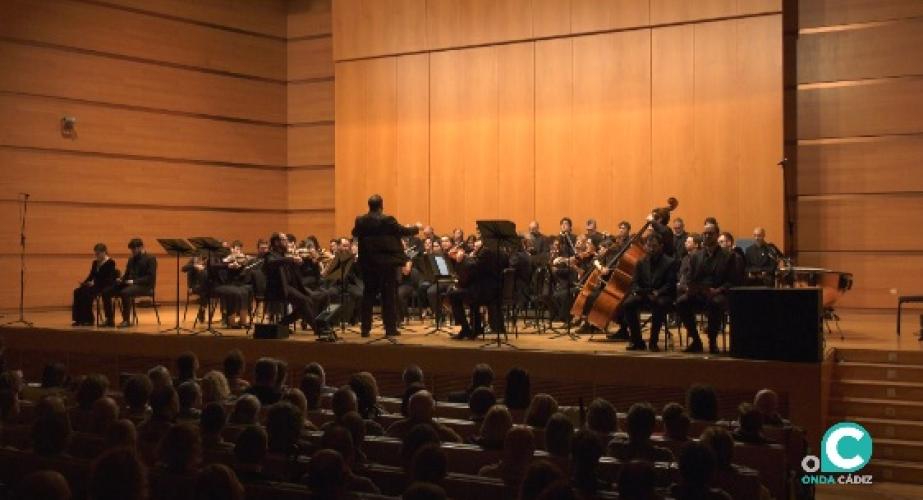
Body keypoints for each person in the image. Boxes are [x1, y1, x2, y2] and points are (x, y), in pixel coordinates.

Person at [352, 194, 420, 338]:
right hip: (386, 264)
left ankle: (365, 328)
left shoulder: (360, 220)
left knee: (368, 295)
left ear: (369, 205)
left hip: (368, 264)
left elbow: (355, 233)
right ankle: (390, 329)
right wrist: (416, 228)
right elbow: (402, 231)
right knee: (388, 296)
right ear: (381, 206)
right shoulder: (388, 220)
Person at [675, 224, 731, 353]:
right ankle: (696, 340)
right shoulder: (696, 256)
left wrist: (718, 290)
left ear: (717, 235)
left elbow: (732, 281)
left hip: (718, 293)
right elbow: (690, 277)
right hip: (700, 293)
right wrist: (690, 287)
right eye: (704, 233)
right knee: (681, 302)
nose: (706, 236)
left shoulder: (728, 256)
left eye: (710, 234)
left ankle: (712, 342)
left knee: (715, 303)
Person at [621, 234, 677, 351]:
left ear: (661, 246)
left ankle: (653, 341)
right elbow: (634, 282)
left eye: (654, 246)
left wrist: (658, 292)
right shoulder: (641, 262)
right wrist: (638, 291)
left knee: (659, 304)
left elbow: (670, 284)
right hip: (645, 294)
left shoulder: (670, 262)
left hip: (662, 295)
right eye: (649, 246)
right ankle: (637, 341)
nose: (651, 249)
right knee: (627, 304)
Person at [264, 233, 325, 335]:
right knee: (304, 301)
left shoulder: (285, 255)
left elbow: (293, 273)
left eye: (286, 240)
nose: (286, 242)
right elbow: (272, 262)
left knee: (309, 301)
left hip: (289, 287)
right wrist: (291, 259)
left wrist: (298, 263)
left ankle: (282, 323)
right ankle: (317, 328)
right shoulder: (270, 255)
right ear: (276, 242)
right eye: (283, 240)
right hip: (277, 289)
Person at [102, 238, 157, 328]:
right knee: (106, 292)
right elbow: (127, 274)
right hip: (130, 284)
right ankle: (109, 319)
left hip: (145, 286)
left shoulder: (151, 259)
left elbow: (150, 277)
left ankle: (126, 320)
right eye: (132, 249)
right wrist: (121, 279)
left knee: (125, 292)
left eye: (134, 249)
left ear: (141, 247)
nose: (133, 251)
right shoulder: (131, 259)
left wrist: (134, 281)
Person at [72, 243, 118, 326]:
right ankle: (79, 318)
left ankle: (89, 319)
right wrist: (85, 283)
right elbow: (91, 275)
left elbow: (109, 279)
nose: (97, 256)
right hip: (95, 285)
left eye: (98, 254)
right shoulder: (95, 262)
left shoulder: (111, 262)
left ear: (104, 252)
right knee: (77, 291)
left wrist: (93, 283)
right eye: (96, 254)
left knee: (87, 293)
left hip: (104, 286)